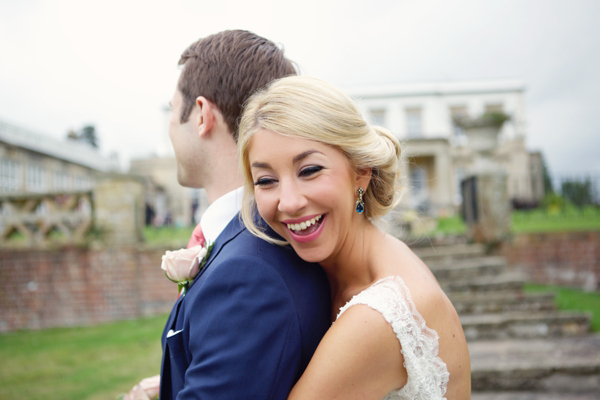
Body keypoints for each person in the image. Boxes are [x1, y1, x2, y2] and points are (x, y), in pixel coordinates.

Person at [126, 31, 331, 400]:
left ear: (202, 114)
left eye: (174, 111)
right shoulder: (246, 240)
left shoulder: (249, 273)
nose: (171, 127)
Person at [238, 76, 471, 399]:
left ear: (361, 170)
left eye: (309, 170)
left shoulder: (380, 315)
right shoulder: (352, 264)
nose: (288, 202)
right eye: (266, 180)